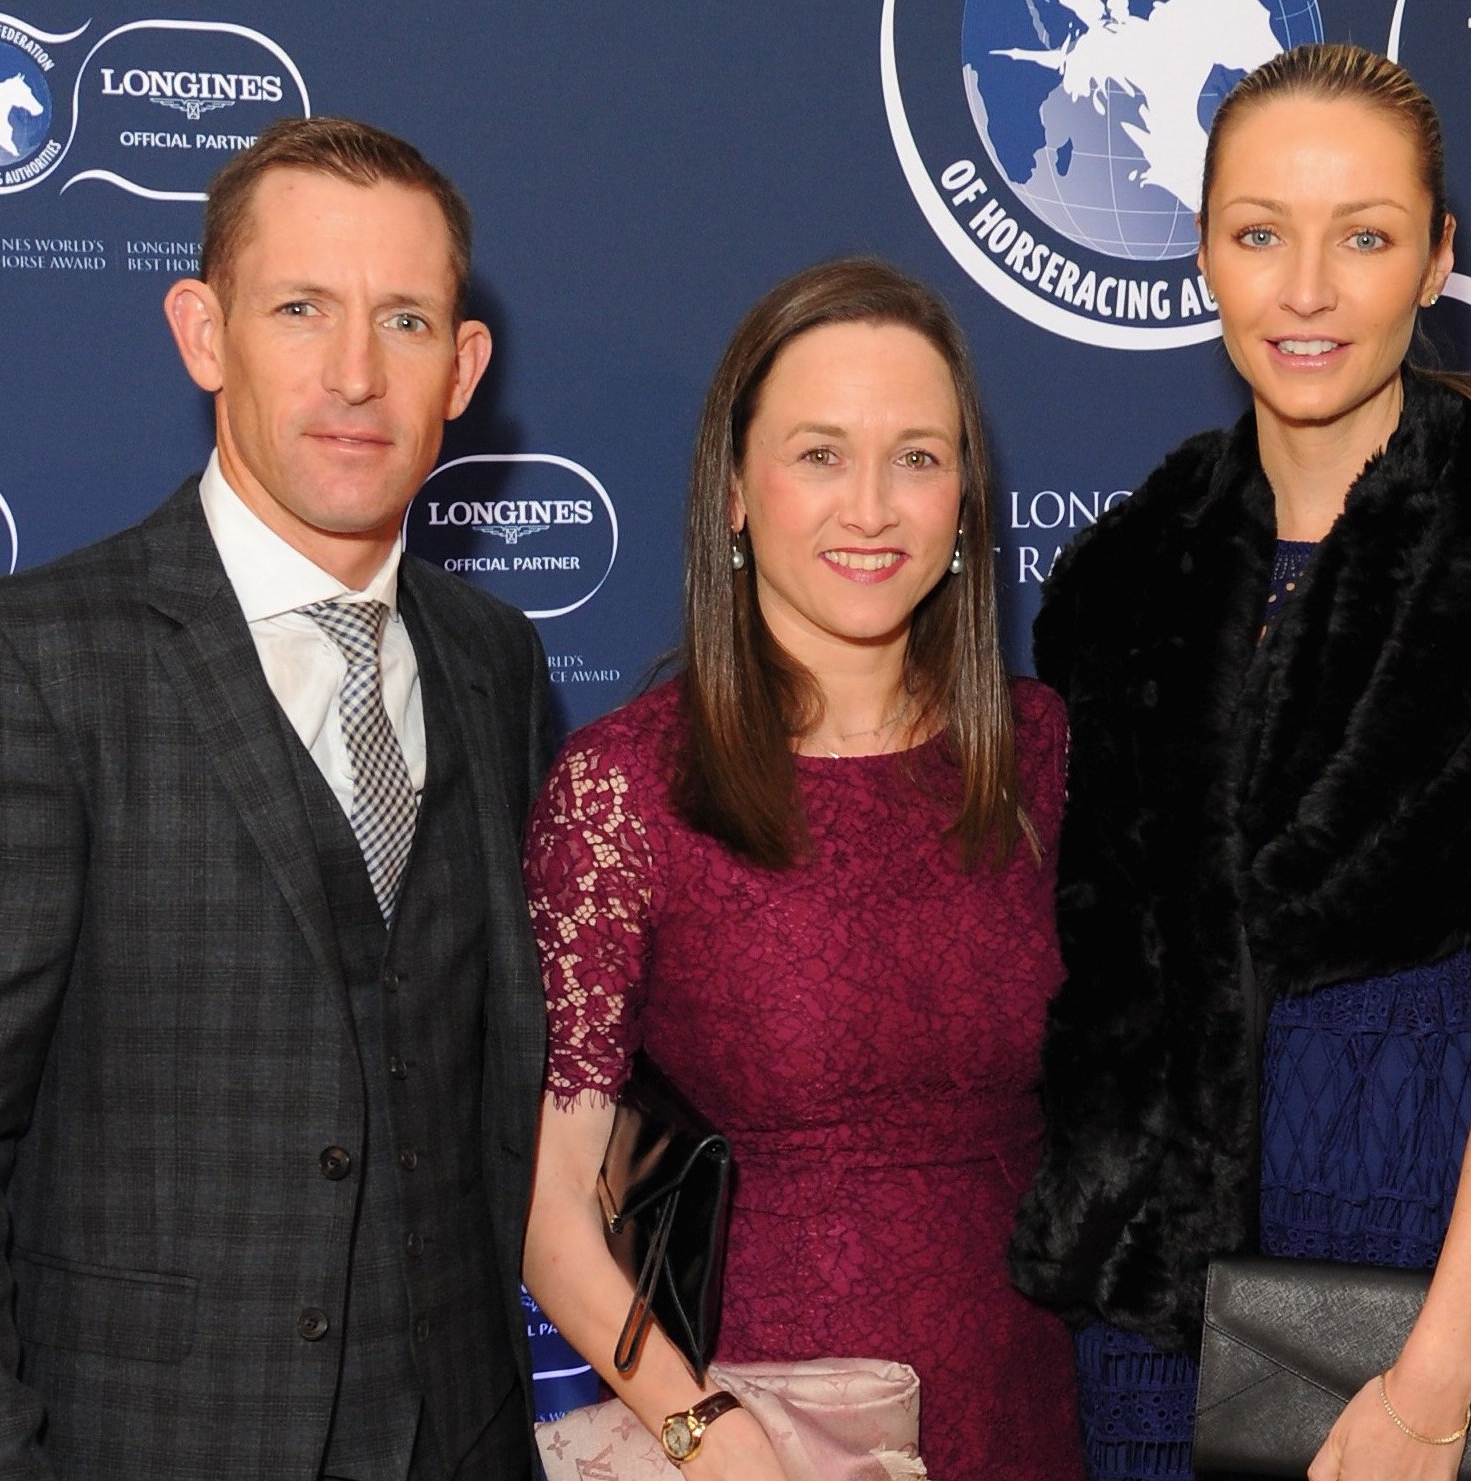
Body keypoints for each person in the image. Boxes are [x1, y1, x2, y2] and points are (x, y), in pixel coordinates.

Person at [1008, 43, 1471, 1481]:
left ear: (1439, 260)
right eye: (1261, 234)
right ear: (1202, 255)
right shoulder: (1124, 576)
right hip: (1158, 1303)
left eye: (1365, 238)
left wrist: (1432, 1387)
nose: (1307, 290)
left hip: (1435, 1277)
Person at [0, 117, 547, 1478]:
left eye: (407, 320)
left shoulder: (494, 657)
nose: (356, 374)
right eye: (301, 308)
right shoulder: (23, 662)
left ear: (463, 369)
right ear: (204, 333)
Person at [519, 258, 1082, 1481]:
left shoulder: (1041, 753)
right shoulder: (625, 790)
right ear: (733, 489)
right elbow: (550, 1195)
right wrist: (695, 1423)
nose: (870, 508)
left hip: (1026, 1406)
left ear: (966, 497)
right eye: (819, 454)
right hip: (763, 1429)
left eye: (917, 458)